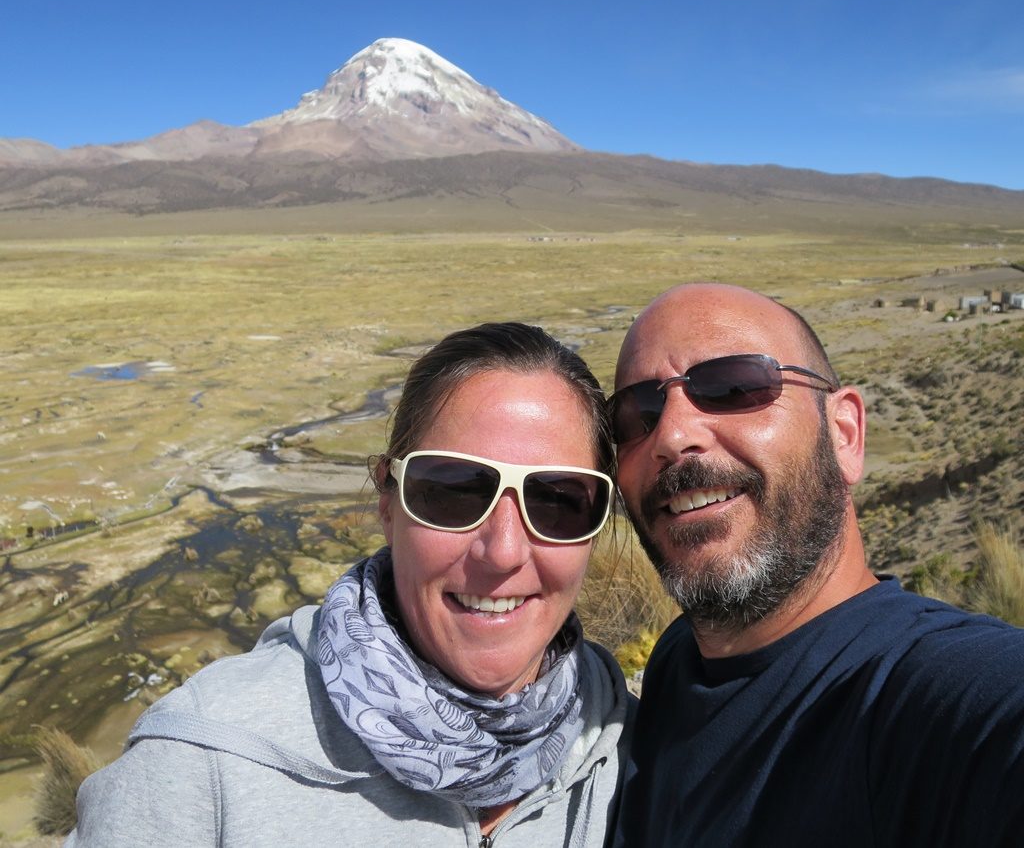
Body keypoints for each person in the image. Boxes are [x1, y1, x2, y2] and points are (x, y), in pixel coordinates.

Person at [69, 322, 632, 847]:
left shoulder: (634, 744)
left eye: (558, 500)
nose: (504, 550)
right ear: (387, 501)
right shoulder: (202, 761)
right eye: (454, 490)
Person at [611, 283, 1024, 847]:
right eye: (637, 415)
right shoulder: (677, 661)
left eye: (733, 386)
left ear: (845, 434)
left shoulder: (938, 698)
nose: (671, 436)